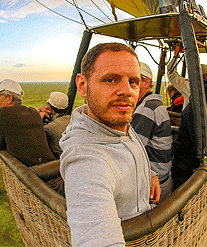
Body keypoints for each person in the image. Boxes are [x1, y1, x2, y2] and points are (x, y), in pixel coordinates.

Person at [59, 43, 161, 246]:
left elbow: (123, 151)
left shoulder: (116, 119)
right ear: (82, 85)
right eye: (111, 79)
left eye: (133, 82)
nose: (127, 91)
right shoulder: (86, 161)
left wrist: (147, 173)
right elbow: (95, 236)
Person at [132, 62, 174, 202]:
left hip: (154, 184)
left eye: (133, 81)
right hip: (162, 177)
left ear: (146, 82)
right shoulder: (153, 104)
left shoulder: (147, 109)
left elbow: (130, 150)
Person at [0, 79, 56, 166]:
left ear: (9, 98)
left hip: (34, 174)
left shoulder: (4, 113)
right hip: (52, 166)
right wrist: (39, 109)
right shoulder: (33, 112)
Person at [39, 91, 71, 158]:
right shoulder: (72, 119)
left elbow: (36, 133)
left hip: (59, 160)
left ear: (50, 107)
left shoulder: (49, 128)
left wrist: (40, 117)